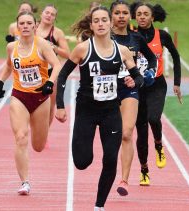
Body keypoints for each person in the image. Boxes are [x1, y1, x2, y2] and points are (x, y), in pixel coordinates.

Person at [55, 6, 144, 211]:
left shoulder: (122, 51)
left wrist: (134, 81)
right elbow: (62, 75)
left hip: (111, 111)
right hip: (86, 110)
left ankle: (99, 206)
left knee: (111, 158)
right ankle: (84, 151)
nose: (102, 23)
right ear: (92, 25)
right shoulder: (83, 49)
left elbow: (138, 77)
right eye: (97, 20)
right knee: (82, 162)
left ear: (110, 23)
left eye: (105, 20)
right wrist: (60, 105)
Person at [0, 11, 61, 195]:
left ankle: (37, 137)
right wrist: (0, 81)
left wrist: (49, 83)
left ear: (35, 26)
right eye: (21, 23)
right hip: (19, 96)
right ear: (17, 27)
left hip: (40, 98)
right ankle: (24, 182)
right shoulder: (11, 47)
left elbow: (57, 65)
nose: (25, 26)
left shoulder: (41, 44)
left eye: (28, 23)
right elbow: (9, 65)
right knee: (20, 137)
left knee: (38, 146)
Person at [131, 2, 182, 186]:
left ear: (153, 17)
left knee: (154, 118)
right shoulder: (131, 36)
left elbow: (175, 56)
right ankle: (144, 170)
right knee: (140, 130)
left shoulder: (162, 36)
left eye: (146, 14)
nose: (142, 17)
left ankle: (159, 145)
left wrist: (177, 83)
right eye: (139, 14)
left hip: (157, 85)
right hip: (136, 87)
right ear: (135, 17)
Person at [110, 0, 157, 196]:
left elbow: (152, 58)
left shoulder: (136, 38)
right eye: (117, 13)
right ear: (111, 15)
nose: (121, 16)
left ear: (130, 16)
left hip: (129, 88)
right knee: (110, 137)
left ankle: (124, 180)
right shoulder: (103, 37)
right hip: (106, 91)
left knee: (127, 133)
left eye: (124, 13)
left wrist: (145, 75)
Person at [35, 4, 70, 125]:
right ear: (41, 14)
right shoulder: (32, 28)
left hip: (51, 74)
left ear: (55, 18)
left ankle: (45, 135)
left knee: (49, 107)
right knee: (32, 105)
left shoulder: (57, 33)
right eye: (47, 13)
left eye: (52, 14)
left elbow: (67, 54)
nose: (49, 16)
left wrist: (54, 47)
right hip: (33, 71)